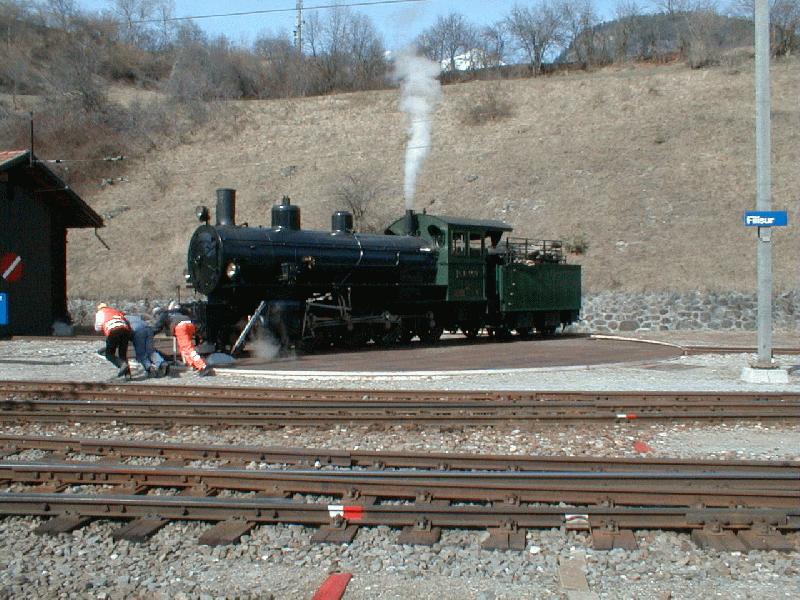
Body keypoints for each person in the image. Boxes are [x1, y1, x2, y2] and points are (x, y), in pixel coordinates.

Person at [152, 302, 213, 376]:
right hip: (190, 324)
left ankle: (203, 366)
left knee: (187, 348)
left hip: (181, 327)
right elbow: (187, 312)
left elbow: (157, 328)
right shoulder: (176, 311)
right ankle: (194, 365)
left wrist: (150, 335)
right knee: (184, 349)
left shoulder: (163, 315)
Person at [94, 302, 132, 379]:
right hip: (125, 330)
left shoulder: (100, 313)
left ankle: (122, 365)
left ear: (99, 308)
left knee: (109, 354)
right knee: (122, 353)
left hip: (113, 331)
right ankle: (128, 375)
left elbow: (97, 327)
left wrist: (103, 327)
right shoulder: (115, 311)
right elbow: (126, 322)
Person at [126, 313, 167, 378]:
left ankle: (150, 369)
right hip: (149, 329)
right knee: (150, 351)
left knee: (141, 354)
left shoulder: (123, 318)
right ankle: (161, 362)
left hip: (138, 332)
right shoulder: (135, 316)